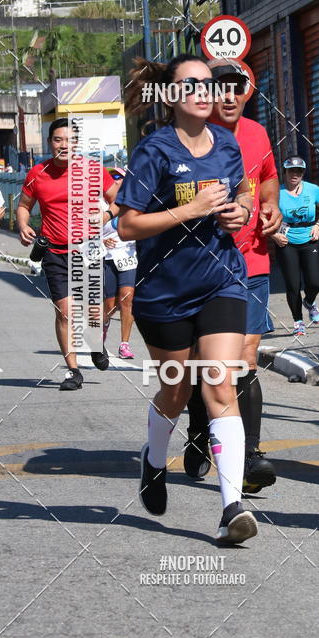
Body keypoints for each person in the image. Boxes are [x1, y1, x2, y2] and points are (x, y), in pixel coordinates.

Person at [117, 54, 258, 544]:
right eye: (192, 84)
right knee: (176, 390)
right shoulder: (153, 152)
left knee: (220, 383)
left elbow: (243, 192)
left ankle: (231, 507)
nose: (205, 90)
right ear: (171, 96)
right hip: (164, 292)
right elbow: (127, 225)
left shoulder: (227, 143)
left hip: (221, 280)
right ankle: (154, 461)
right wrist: (191, 210)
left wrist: (239, 211)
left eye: (210, 83)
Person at [183, 58, 283, 494]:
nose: (227, 96)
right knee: (208, 363)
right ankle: (200, 428)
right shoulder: (189, 139)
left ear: (247, 92)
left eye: (235, 87)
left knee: (244, 359)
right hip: (200, 265)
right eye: (218, 88)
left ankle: (251, 455)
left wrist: (272, 206)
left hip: (252, 262)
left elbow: (269, 181)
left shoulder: (259, 134)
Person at [17, 118, 116, 391]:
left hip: (89, 249)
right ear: (50, 142)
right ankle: (73, 371)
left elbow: (118, 199)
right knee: (65, 313)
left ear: (77, 143)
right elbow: (24, 205)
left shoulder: (93, 170)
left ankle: (96, 343)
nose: (64, 145)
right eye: (58, 140)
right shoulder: (38, 173)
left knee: (98, 310)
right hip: (55, 252)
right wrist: (24, 225)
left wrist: (106, 214)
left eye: (70, 140)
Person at [271, 156, 319, 336]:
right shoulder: (277, 192)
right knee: (293, 285)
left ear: (303, 173)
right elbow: (263, 217)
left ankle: (310, 302)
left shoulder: (313, 190)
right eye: (291, 171)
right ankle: (298, 321)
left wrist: (318, 225)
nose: (294, 174)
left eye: (298, 171)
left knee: (314, 283)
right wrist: (274, 235)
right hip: (286, 242)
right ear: (285, 172)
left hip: (310, 239)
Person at [102, 167, 137, 360]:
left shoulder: (133, 203)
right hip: (106, 256)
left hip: (128, 255)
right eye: (112, 178)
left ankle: (124, 344)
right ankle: (103, 330)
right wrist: (101, 241)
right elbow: (85, 234)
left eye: (119, 178)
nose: (115, 181)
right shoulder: (98, 204)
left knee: (126, 299)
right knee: (109, 305)